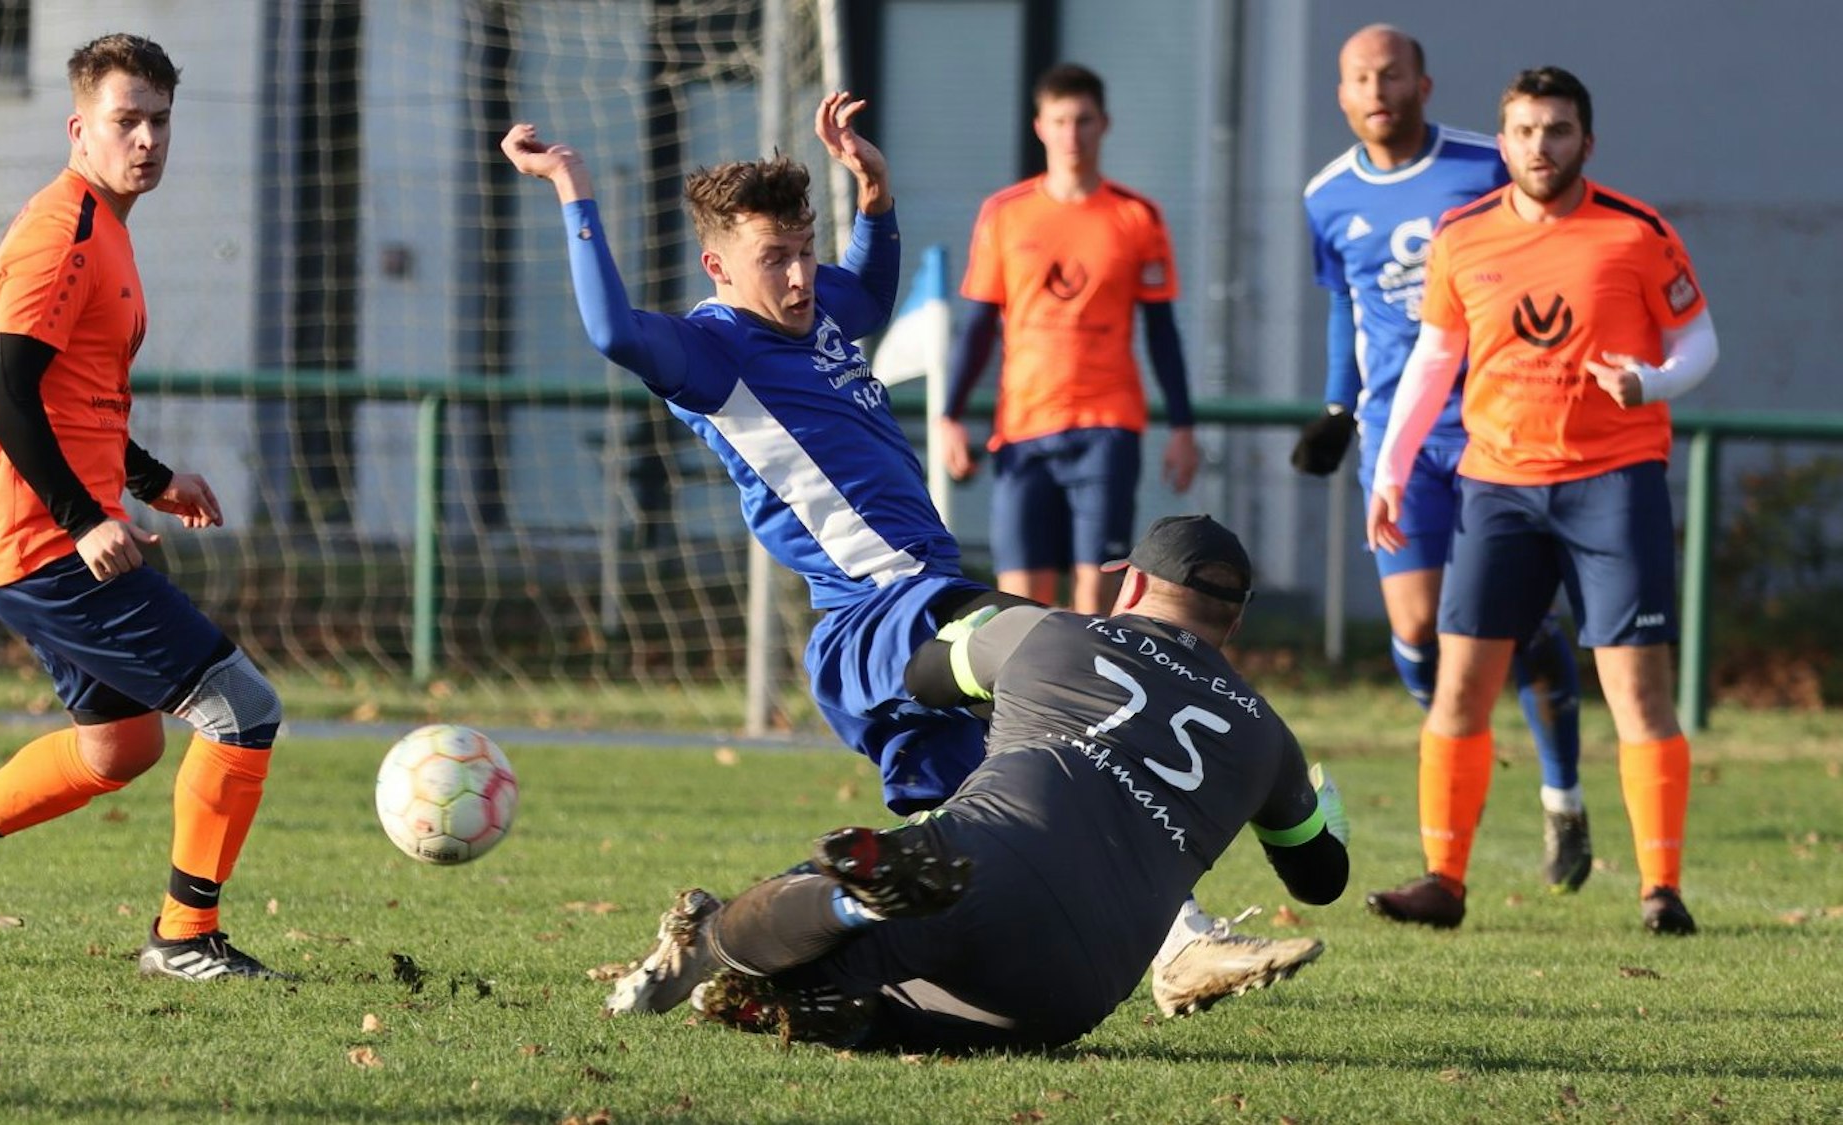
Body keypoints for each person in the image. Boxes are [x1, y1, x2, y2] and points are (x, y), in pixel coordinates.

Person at [503, 96, 1318, 1017]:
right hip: (878, 616)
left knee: (1019, 816)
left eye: (806, 250)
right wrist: (571, 185)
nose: (803, 277)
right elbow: (612, 331)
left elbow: (870, 289)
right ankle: (1184, 942)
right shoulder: (708, 352)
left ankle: (713, 940)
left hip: (923, 603)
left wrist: (876, 194)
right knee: (1075, 664)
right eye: (775, 259)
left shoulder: (815, 313)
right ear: (717, 264)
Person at [595, 516, 1349, 1051]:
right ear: (1233, 624)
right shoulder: (1265, 736)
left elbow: (924, 675)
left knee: (866, 906)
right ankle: (839, 1010)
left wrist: (988, 639)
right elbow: (1321, 876)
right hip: (1077, 986)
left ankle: (786, 922)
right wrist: (1323, 815)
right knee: (892, 1006)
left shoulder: (1050, 632)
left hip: (988, 865)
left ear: (1134, 585)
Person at [0, 34, 288, 980]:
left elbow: (74, 393)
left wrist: (146, 479)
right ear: (79, 126)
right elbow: (7, 391)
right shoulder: (62, 234)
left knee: (119, 744)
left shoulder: (106, 225)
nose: (146, 140)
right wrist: (83, 517)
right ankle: (184, 937)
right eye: (124, 121)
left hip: (48, 539)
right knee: (242, 707)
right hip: (47, 545)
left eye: (159, 121)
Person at [1365, 66, 1718, 935]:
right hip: (1498, 489)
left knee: (1637, 694)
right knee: (1461, 690)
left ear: (1585, 143)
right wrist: (1391, 467)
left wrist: (1654, 381)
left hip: (1614, 483)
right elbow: (1433, 360)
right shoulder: (1463, 236)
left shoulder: (1636, 231)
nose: (1540, 146)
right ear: (1505, 140)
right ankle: (1443, 880)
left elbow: (1699, 337)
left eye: (1557, 130)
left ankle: (1660, 889)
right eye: (1524, 130)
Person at [1294, 25, 1589, 892]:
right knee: (1419, 626)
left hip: (1503, 427)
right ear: (1342, 94)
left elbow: (1549, 254)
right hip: (1400, 438)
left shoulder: (1483, 162)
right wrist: (1336, 405)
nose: (1377, 89)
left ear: (1424, 83)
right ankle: (1462, 745)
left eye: (1392, 74)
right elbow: (1345, 307)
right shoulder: (1325, 195)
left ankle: (1564, 796)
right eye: (1359, 78)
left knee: (1524, 627)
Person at [938, 63, 1198, 616]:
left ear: (1104, 124)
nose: (1071, 134)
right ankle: (1022, 706)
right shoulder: (1006, 214)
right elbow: (980, 323)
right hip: (1024, 428)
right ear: (1040, 126)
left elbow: (1162, 331)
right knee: (1021, 604)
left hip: (1107, 427)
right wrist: (950, 415)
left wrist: (1182, 426)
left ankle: (1089, 705)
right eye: (1060, 121)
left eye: (1083, 121)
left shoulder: (1135, 216)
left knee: (1093, 602)